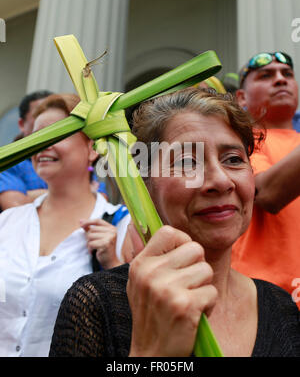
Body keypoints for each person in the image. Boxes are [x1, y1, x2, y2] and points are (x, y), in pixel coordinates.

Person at [49, 88, 300, 357]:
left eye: (234, 160)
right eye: (187, 161)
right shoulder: (98, 303)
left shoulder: (280, 305)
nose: (221, 181)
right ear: (145, 187)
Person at [0, 93, 130, 357]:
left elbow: (134, 323)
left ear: (92, 148)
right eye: (36, 137)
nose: (43, 146)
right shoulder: (8, 222)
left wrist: (114, 267)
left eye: (57, 134)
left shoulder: (122, 225)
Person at [230, 52, 300, 305]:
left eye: (287, 74)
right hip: (264, 301)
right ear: (242, 98)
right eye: (266, 75)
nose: (280, 80)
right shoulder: (240, 143)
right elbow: (268, 193)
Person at [0, 90, 53, 211]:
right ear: (22, 124)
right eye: (39, 116)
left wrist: (30, 195)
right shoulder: (7, 162)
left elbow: (96, 201)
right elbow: (16, 207)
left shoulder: (76, 159)